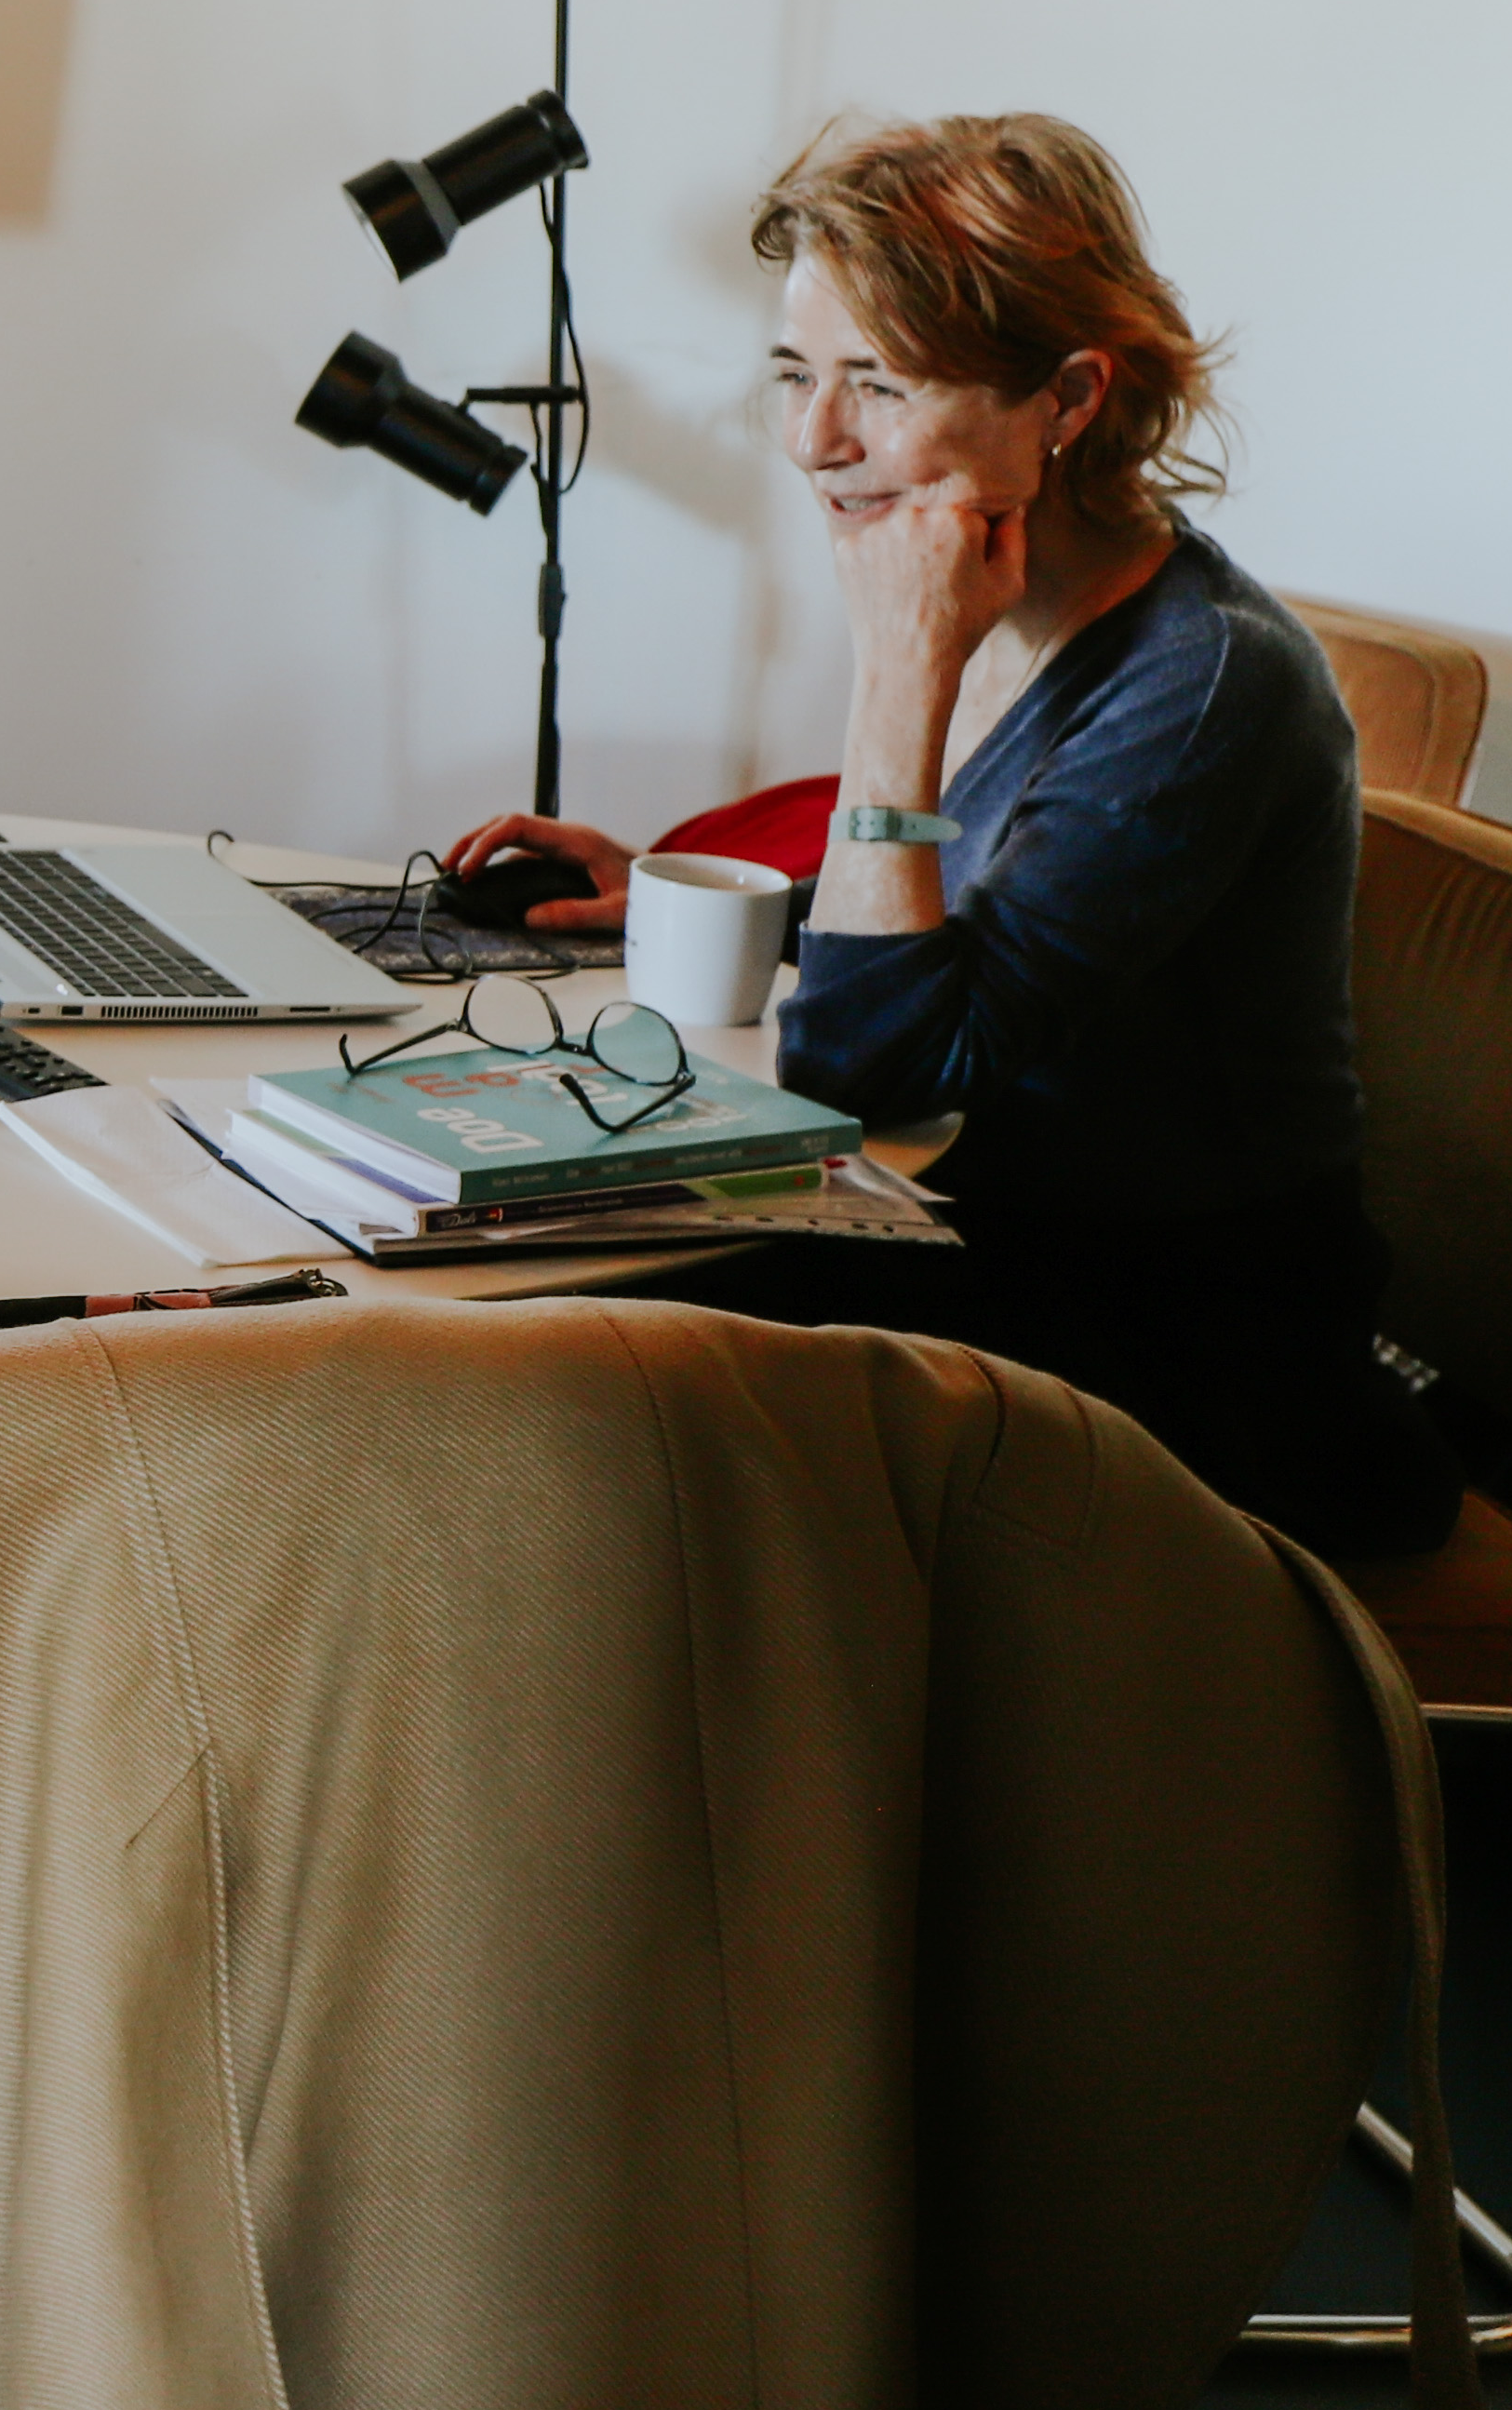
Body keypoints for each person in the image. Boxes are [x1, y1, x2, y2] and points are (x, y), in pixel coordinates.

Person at [451, 113, 1458, 1561]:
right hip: (993, 1248)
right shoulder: (1012, 593)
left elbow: (867, 1068)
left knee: (548, 1351)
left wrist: (899, 673)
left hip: (1183, 1362)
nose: (815, 439)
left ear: (1068, 397)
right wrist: (724, 900)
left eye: (880, 382)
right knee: (505, 1274)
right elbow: (989, 908)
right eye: (795, 373)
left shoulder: (1203, 682)